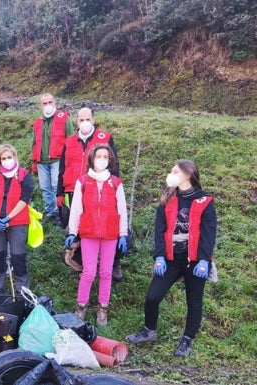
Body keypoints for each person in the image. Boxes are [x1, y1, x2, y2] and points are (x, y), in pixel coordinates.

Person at [126, 160, 216, 358]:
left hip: (195, 259)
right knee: (152, 296)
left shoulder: (204, 201)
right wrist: (159, 256)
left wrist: (204, 260)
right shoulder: (168, 199)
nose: (171, 174)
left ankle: (187, 340)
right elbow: (159, 231)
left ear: (188, 174)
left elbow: (209, 233)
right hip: (171, 258)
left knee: (194, 301)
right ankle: (149, 331)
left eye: (175, 171)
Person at [64, 144, 128, 326]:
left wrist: (123, 234)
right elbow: (76, 208)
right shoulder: (83, 182)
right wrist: (72, 231)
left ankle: (102, 309)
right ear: (92, 159)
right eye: (98, 156)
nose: (102, 160)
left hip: (110, 234)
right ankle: (81, 306)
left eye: (105, 157)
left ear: (110, 160)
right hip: (89, 233)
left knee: (106, 272)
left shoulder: (115, 183)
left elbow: (122, 210)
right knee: (89, 272)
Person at [57, 107, 123, 281]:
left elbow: (114, 166)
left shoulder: (105, 138)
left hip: (99, 191)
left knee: (107, 226)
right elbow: (63, 167)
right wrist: (59, 192)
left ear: (93, 120)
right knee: (78, 228)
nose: (84, 123)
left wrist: (113, 190)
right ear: (76, 122)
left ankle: (114, 262)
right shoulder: (69, 141)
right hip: (73, 190)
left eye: (87, 119)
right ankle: (83, 263)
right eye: (81, 120)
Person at [0, 144, 34, 295]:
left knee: (18, 256)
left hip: (17, 222)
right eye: (3, 158)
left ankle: (22, 291)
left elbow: (25, 198)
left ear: (14, 157)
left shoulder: (24, 174)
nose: (7, 160)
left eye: (9, 157)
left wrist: (8, 217)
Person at [31, 93, 74, 226]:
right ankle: (50, 211)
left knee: (56, 186)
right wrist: (34, 160)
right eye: (45, 103)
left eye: (50, 102)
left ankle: (59, 213)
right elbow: (34, 143)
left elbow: (71, 139)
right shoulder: (38, 122)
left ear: (54, 103)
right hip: (41, 161)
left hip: (58, 160)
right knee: (45, 188)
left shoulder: (64, 118)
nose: (48, 105)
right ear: (41, 105)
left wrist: (69, 160)